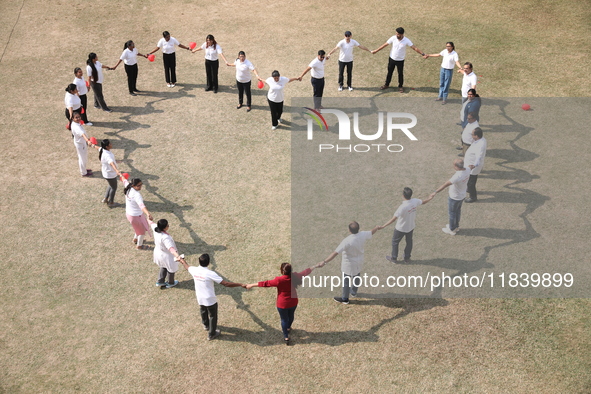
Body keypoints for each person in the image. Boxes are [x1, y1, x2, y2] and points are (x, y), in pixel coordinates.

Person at [246, 262, 324, 345]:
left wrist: (251, 285)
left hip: (282, 304)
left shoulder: (279, 280)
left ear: (282, 271)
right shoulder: (295, 276)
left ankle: (286, 336)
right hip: (293, 302)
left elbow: (265, 283)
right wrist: (316, 266)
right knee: (291, 316)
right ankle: (288, 328)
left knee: (284, 319)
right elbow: (305, 272)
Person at [178, 253, 245, 341]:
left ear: (199, 261)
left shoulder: (194, 270)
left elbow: (186, 266)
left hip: (200, 297)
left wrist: (181, 260)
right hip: (210, 299)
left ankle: (206, 325)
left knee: (203, 310)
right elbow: (226, 284)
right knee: (213, 315)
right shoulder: (210, 273)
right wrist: (240, 284)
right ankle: (212, 334)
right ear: (208, 263)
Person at [319, 221, 381, 304]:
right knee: (357, 277)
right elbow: (371, 232)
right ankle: (353, 292)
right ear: (358, 229)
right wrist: (376, 227)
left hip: (348, 265)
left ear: (349, 230)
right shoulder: (362, 234)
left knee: (346, 281)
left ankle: (345, 299)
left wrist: (324, 262)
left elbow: (335, 253)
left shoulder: (347, 241)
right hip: (359, 262)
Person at [379, 187, 434, 264]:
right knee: (409, 242)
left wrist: (383, 226)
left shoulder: (402, 207)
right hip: (410, 227)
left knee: (395, 242)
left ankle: (394, 258)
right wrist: (430, 198)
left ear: (403, 195)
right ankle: (407, 258)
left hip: (400, 228)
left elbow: (393, 219)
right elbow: (423, 202)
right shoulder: (414, 201)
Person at [372, 27, 425, 93]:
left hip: (400, 60)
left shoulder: (406, 40)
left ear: (402, 34)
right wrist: (376, 50)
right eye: (396, 34)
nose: (397, 35)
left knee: (400, 73)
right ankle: (386, 84)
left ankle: (400, 86)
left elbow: (414, 48)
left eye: (398, 34)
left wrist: (423, 54)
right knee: (389, 72)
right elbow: (385, 44)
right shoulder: (393, 38)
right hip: (392, 59)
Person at [432, 158, 471, 235]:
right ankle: (456, 226)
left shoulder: (457, 176)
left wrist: (435, 192)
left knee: (452, 213)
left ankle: (452, 229)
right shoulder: (467, 169)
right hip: (462, 196)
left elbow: (444, 185)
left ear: (456, 166)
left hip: (454, 197)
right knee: (457, 211)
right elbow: (471, 166)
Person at [150, 218, 184, 287]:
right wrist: (177, 256)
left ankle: (160, 281)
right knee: (171, 269)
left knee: (163, 266)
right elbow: (171, 249)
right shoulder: (165, 237)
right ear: (165, 228)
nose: (168, 226)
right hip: (166, 256)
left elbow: (151, 223)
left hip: (158, 253)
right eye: (167, 225)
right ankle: (170, 283)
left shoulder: (155, 228)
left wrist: (148, 217)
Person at [122, 177, 153, 249]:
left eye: (141, 184)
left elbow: (124, 180)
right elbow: (141, 206)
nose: (140, 187)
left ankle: (135, 239)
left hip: (129, 214)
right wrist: (148, 213)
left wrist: (120, 174)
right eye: (138, 185)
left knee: (137, 228)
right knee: (142, 232)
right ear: (133, 185)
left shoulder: (128, 187)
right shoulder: (137, 195)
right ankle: (139, 245)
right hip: (136, 216)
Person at [94, 139, 122, 207]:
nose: (111, 144)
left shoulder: (103, 150)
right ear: (107, 146)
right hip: (110, 174)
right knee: (114, 187)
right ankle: (111, 202)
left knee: (111, 185)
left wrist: (92, 145)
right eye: (110, 143)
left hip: (106, 173)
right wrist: (116, 170)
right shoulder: (107, 155)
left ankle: (105, 198)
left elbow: (97, 147)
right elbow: (111, 163)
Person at [464, 127, 487, 203]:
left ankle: (473, 197)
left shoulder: (480, 145)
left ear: (476, 136)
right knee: (469, 179)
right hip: (470, 165)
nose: (471, 136)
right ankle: (469, 189)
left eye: (472, 135)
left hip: (473, 167)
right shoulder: (480, 140)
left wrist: (474, 165)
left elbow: (479, 156)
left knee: (471, 182)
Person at [70, 112, 93, 177]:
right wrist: (88, 141)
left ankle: (84, 170)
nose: (78, 118)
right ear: (72, 118)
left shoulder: (75, 123)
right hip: (80, 144)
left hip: (79, 142)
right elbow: (82, 134)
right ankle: (83, 173)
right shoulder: (76, 127)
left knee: (83, 157)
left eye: (79, 117)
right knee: (82, 158)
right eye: (76, 117)